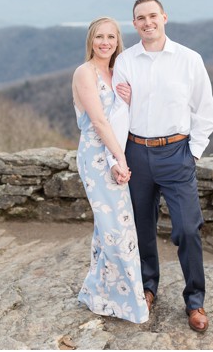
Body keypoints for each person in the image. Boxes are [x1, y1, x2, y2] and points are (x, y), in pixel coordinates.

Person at [109, 0, 213, 333]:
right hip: (136, 152)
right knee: (141, 226)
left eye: (152, 15)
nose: (147, 22)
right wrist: (119, 156)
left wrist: (193, 152)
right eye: (140, 18)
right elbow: (117, 111)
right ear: (134, 24)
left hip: (176, 152)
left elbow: (205, 111)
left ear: (164, 17)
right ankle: (147, 287)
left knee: (187, 228)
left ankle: (195, 301)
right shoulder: (125, 61)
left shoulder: (189, 59)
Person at [72, 16, 149, 323]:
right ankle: (123, 300)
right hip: (97, 157)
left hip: (118, 151)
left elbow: (124, 116)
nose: (105, 42)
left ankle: (100, 293)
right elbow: (100, 121)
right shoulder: (85, 72)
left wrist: (131, 99)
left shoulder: (118, 71)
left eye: (111, 37)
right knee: (116, 230)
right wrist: (120, 159)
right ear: (91, 40)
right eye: (99, 37)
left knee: (111, 228)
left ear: (118, 41)